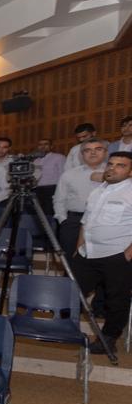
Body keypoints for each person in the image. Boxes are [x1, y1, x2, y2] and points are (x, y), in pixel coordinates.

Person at [72, 151, 132, 357]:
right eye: (111, 164)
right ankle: (67, 329)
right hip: (87, 253)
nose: (112, 168)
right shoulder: (97, 191)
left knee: (116, 300)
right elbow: (85, 221)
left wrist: (128, 254)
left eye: (121, 165)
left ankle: (108, 339)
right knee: (72, 293)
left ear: (130, 172)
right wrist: (79, 247)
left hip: (116, 255)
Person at [55, 138, 108, 261]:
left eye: (98, 149)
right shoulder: (69, 174)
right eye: (87, 150)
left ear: (105, 152)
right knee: (71, 260)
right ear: (82, 154)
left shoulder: (116, 174)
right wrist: (63, 220)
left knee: (100, 261)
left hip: (104, 221)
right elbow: (59, 199)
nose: (93, 153)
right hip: (74, 222)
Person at [32, 138, 65, 216]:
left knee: (50, 214)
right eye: (40, 145)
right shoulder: (35, 160)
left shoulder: (59, 157)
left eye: (46, 144)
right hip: (37, 190)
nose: (43, 146)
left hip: (52, 189)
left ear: (51, 146)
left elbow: (63, 175)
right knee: (39, 214)